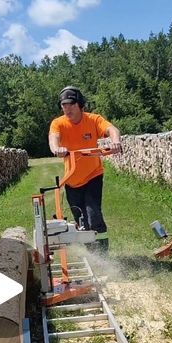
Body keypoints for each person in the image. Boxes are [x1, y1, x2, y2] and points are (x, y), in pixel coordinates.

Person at [48, 86, 122, 252]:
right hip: (72, 180)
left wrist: (115, 141)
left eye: (71, 104)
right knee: (81, 220)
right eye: (63, 105)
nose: (67, 108)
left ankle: (103, 255)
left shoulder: (93, 120)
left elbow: (112, 129)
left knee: (93, 214)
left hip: (93, 176)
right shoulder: (58, 123)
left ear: (80, 104)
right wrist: (56, 148)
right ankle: (92, 254)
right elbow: (54, 138)